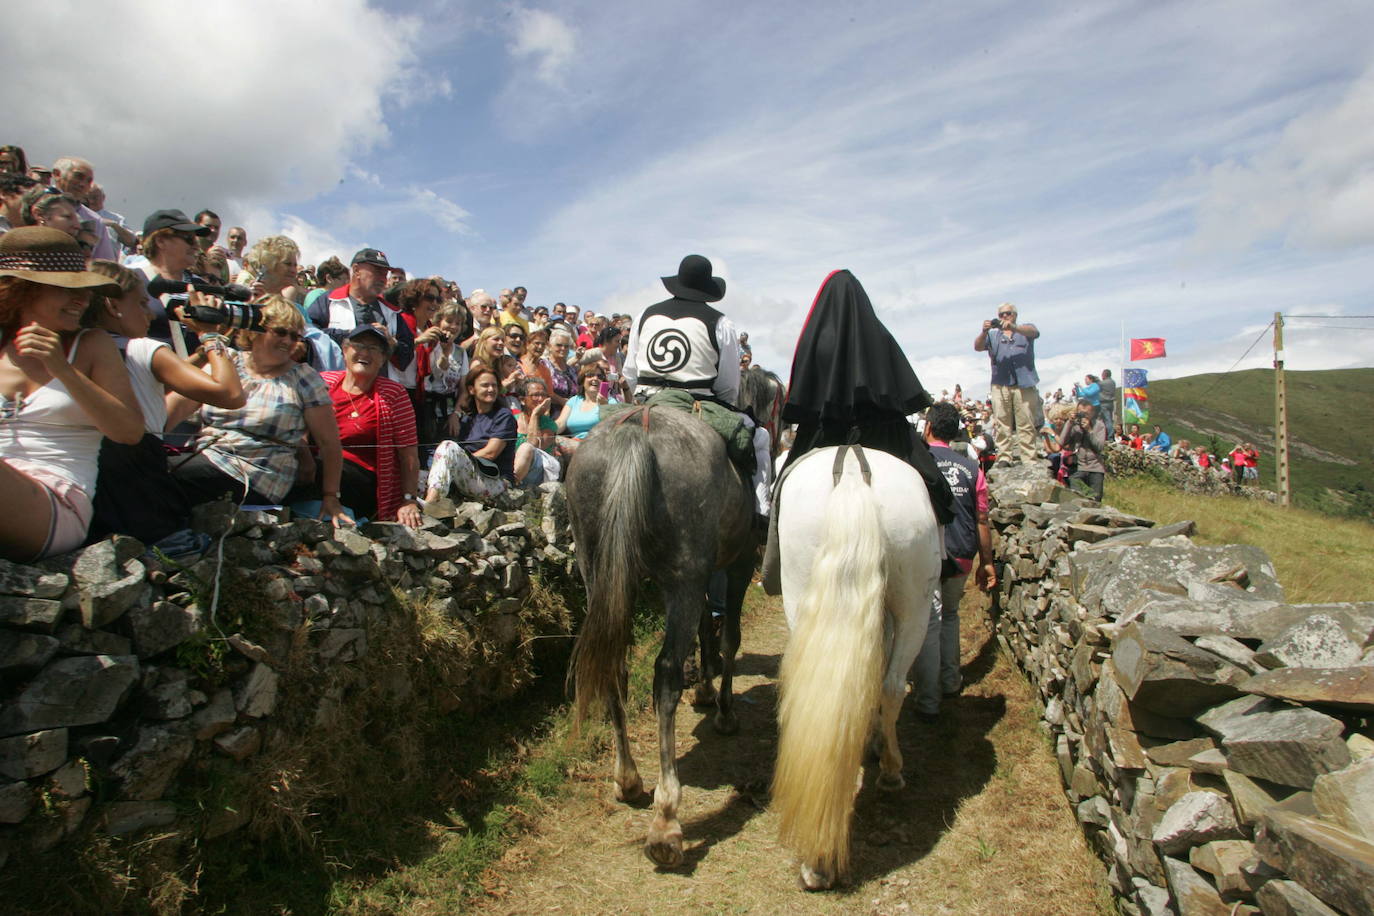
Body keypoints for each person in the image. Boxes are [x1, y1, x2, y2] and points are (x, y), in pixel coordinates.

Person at [0, 228, 144, 559]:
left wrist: (62, 370)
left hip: (58, 499)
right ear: (21, 289)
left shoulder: (92, 344)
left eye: (84, 291)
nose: (82, 299)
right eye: (66, 289)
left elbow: (129, 431)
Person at [83, 260, 245, 545]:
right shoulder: (142, 347)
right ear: (111, 305)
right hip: (137, 491)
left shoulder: (76, 347)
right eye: (142, 304)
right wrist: (209, 334)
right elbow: (230, 394)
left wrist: (201, 353)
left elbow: (156, 375)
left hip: (90, 491)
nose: (149, 315)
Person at [780, 269, 954, 524]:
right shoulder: (881, 337)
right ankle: (944, 560)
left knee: (780, 496)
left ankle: (773, 561)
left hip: (824, 432)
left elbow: (806, 395)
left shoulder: (814, 340)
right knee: (938, 491)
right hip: (882, 432)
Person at [171, 295, 351, 526]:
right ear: (255, 330)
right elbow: (178, 402)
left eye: (295, 336)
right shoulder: (229, 361)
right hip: (208, 454)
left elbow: (330, 444)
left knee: (171, 478)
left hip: (257, 473)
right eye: (280, 332)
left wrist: (331, 496)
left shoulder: (303, 378)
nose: (289, 341)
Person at [624, 254, 773, 521]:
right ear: (707, 289)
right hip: (697, 405)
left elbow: (629, 372)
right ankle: (760, 513)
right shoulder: (721, 322)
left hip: (648, 402)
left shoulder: (644, 315)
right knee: (760, 437)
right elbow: (728, 386)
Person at [913, 402, 996, 721]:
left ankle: (927, 699)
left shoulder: (918, 464)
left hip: (930, 553)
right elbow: (982, 519)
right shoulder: (972, 469)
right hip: (962, 553)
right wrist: (986, 562)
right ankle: (950, 682)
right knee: (950, 616)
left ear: (929, 428)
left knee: (930, 622)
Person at [318, 326, 422, 526]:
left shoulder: (393, 394)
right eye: (358, 346)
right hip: (316, 467)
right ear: (345, 350)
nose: (365, 353)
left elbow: (408, 454)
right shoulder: (323, 383)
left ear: (383, 359)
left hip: (361, 478)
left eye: (374, 349)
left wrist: (409, 499)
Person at [307, 248, 415, 385]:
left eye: (385, 273)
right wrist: (351, 336)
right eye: (377, 271)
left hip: (379, 397)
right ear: (356, 270)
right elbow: (309, 337)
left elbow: (406, 357)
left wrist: (391, 343)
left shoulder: (392, 312)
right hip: (334, 393)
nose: (383, 278)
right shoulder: (328, 301)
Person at [425, 366, 517, 502]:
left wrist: (456, 461)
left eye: (494, 385)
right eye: (485, 385)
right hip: (471, 475)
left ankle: (432, 503)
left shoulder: (503, 416)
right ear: (471, 389)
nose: (491, 389)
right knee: (420, 474)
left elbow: (490, 453)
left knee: (448, 447)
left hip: (495, 481)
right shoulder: (468, 419)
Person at [974, 302, 1041, 464]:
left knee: (1026, 422)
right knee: (1002, 422)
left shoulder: (1025, 330)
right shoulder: (993, 335)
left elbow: (1034, 332)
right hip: (1000, 383)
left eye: (1008, 313)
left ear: (1015, 315)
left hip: (1024, 383)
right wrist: (984, 332)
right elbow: (977, 347)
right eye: (1001, 314)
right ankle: (1004, 456)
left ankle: (1029, 457)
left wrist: (1013, 327)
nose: (1004, 317)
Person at [49, 157, 115, 262]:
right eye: (78, 177)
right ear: (57, 174)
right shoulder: (35, 204)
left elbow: (105, 265)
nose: (83, 184)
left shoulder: (95, 220)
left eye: (88, 181)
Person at [510, 376, 560, 486]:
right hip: (511, 466)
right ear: (522, 400)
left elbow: (533, 445)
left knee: (526, 448)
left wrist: (535, 415)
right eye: (536, 395)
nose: (541, 399)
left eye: (543, 395)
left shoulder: (549, 424)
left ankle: (512, 483)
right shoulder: (512, 419)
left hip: (537, 471)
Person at [1059, 398, 1108, 500]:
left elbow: (1099, 447)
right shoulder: (1074, 425)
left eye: (1087, 413)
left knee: (1095, 499)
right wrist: (1069, 423)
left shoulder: (1099, 425)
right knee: (1077, 498)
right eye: (1081, 413)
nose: (1084, 416)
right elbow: (1062, 442)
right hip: (1078, 468)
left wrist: (1089, 430)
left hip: (1095, 468)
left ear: (1093, 413)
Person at [543, 327, 578, 409]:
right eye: (559, 345)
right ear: (549, 346)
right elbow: (543, 389)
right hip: (550, 411)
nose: (563, 349)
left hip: (570, 412)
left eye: (566, 346)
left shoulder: (571, 369)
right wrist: (562, 401)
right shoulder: (544, 364)